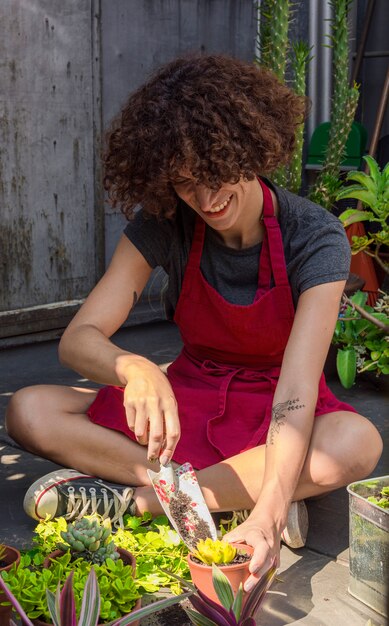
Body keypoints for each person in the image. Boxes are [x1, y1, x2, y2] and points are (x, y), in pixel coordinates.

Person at [6, 54, 382, 592]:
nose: (207, 199)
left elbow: (297, 392)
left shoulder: (314, 236)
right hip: (189, 397)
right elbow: (79, 339)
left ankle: (143, 501)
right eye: (185, 184)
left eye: (216, 174)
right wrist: (135, 368)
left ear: (249, 151)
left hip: (276, 410)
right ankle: (236, 492)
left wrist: (269, 519)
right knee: (30, 408)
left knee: (357, 441)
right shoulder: (165, 225)